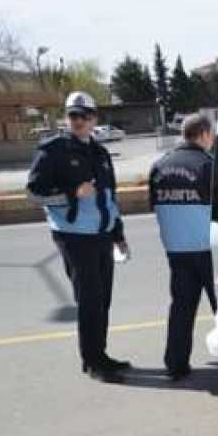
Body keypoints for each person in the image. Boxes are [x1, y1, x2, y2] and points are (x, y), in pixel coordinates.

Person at [26, 91, 131, 383]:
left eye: (84, 116)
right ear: (67, 118)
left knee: (103, 299)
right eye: (73, 115)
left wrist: (118, 233)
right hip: (73, 237)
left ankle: (101, 354)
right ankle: (93, 362)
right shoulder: (53, 150)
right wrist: (72, 193)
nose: (79, 121)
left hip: (101, 235)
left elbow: (110, 196)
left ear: (95, 118)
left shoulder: (99, 152)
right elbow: (33, 194)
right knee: (89, 299)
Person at [148, 114, 218, 381]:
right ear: (202, 134)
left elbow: (154, 206)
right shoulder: (207, 165)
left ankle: (175, 364)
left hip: (176, 250)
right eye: (211, 134)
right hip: (207, 248)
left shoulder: (159, 165)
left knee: (181, 307)